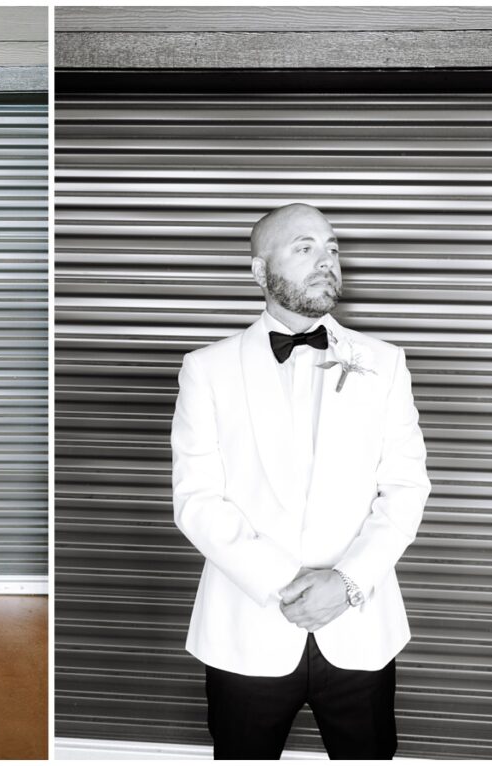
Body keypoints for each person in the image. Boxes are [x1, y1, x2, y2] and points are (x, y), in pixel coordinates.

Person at [171, 203, 430, 758]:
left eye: (332, 247)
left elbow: (406, 489)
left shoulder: (383, 363)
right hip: (247, 627)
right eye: (304, 247)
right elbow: (197, 501)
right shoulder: (207, 369)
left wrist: (348, 583)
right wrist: (284, 586)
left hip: (361, 630)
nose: (327, 260)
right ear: (261, 273)